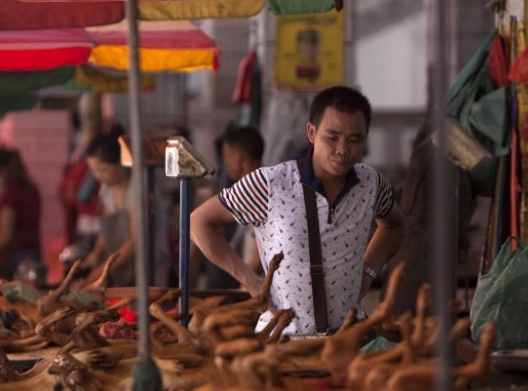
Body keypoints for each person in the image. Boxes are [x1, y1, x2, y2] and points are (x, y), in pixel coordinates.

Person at [191, 86, 405, 335]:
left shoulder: (371, 184)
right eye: (332, 137)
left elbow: (393, 225)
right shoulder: (271, 183)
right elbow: (200, 221)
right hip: (282, 342)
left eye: (354, 139)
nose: (343, 149)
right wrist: (250, 281)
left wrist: (368, 271)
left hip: (349, 340)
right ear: (312, 133)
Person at [81, 131, 170, 287]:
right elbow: (106, 228)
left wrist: (103, 270)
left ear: (119, 163)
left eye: (102, 169)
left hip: (150, 265)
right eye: (93, 171)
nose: (97, 176)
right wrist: (95, 255)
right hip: (124, 265)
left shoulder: (140, 186)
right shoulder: (107, 189)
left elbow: (137, 240)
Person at [203, 125, 265, 289]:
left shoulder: (257, 189)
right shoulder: (252, 186)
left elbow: (260, 253)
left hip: (257, 284)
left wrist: (245, 282)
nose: (226, 163)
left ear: (239, 156)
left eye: (227, 156)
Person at [0, 149, 42, 279]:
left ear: (1, 172)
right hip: (32, 255)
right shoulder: (31, 191)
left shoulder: (10, 195)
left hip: (13, 260)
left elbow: (5, 236)